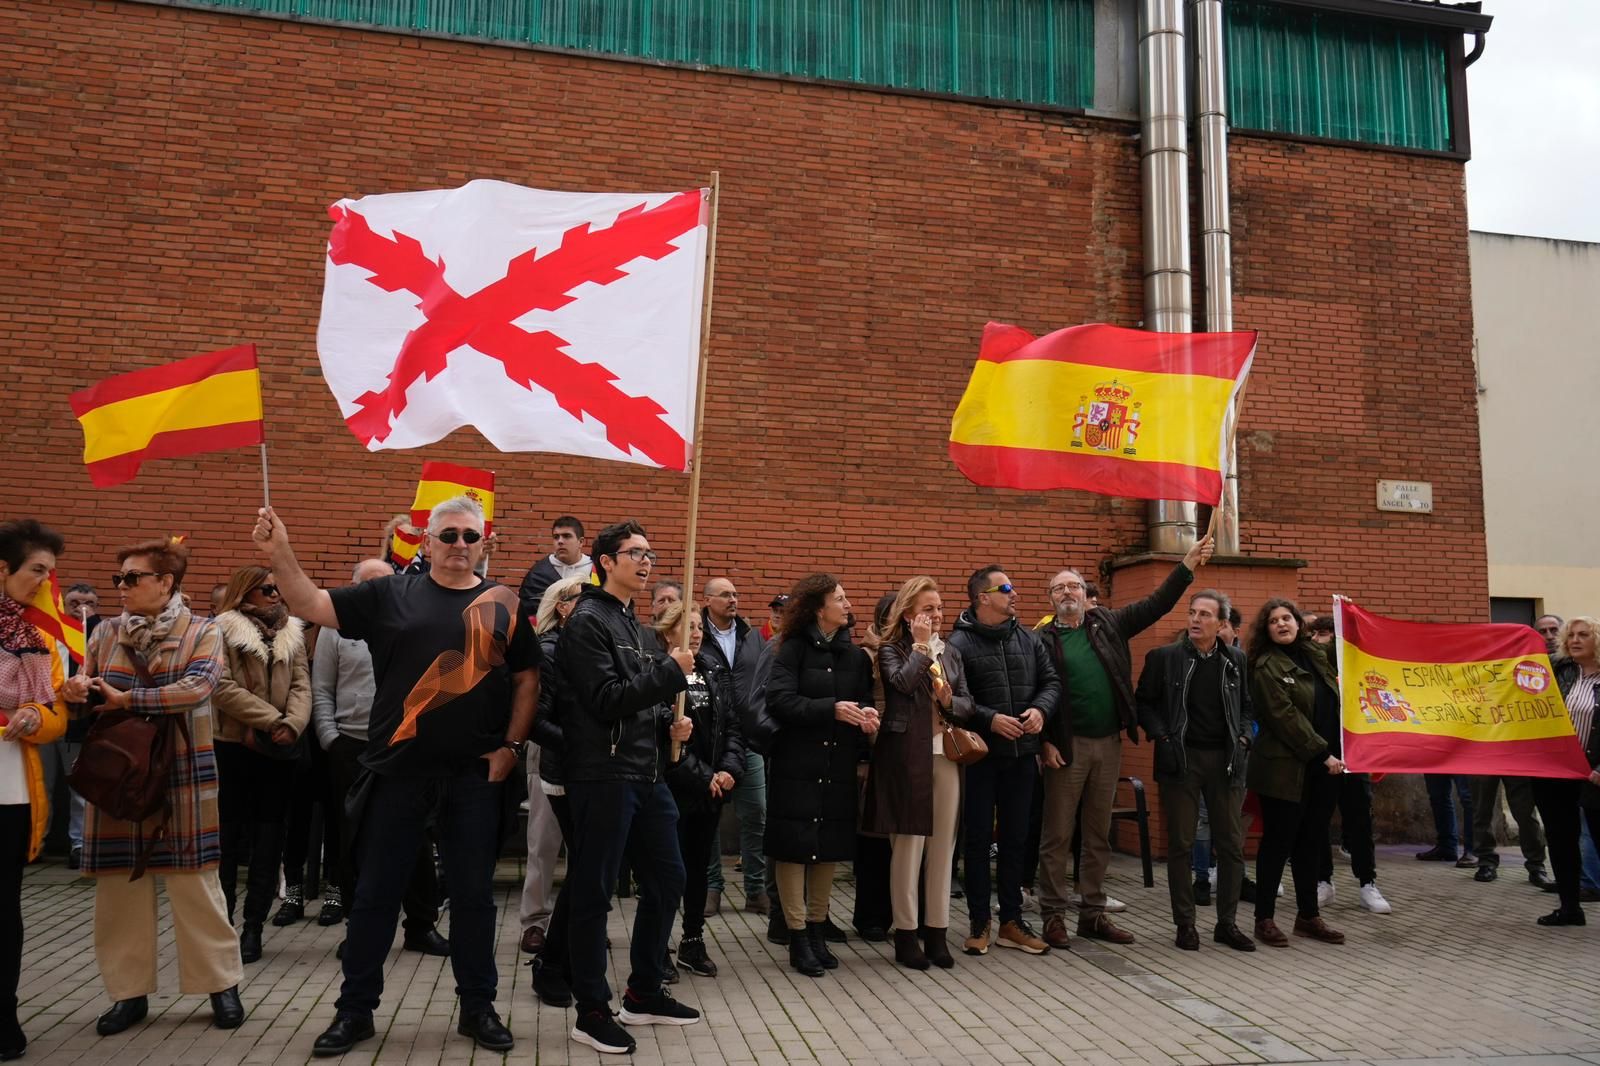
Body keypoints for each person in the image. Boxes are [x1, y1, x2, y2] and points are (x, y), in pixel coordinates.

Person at [254, 496, 539, 1056]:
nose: (459, 545)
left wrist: (511, 745)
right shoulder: (389, 594)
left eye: (469, 536)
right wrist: (279, 552)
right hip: (397, 772)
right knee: (376, 896)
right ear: (427, 542)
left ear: (486, 541)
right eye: (448, 535)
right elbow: (310, 602)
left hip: (473, 777)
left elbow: (528, 677)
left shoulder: (504, 602)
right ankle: (355, 1012)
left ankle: (478, 1009)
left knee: (476, 900)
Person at [60, 535, 244, 1037]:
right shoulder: (102, 634)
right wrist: (75, 688)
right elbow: (86, 682)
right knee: (118, 886)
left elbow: (199, 687)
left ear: (166, 582)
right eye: (119, 578)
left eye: (132, 578)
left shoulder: (203, 630)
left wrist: (130, 700)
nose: (121, 587)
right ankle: (128, 995)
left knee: (196, 884)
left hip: (183, 770)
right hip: (118, 770)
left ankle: (221, 986)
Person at [558, 519, 699, 1055]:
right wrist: (669, 673)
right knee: (594, 891)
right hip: (603, 774)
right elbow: (604, 699)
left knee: (669, 878)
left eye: (650, 553)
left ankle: (642, 992)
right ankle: (591, 1009)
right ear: (606, 562)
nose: (645, 561)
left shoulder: (635, 626)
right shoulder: (587, 622)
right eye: (634, 553)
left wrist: (669, 721)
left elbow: (640, 701)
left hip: (647, 771)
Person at [1035, 537, 1213, 951]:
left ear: (1085, 595)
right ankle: (1053, 915)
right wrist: (1044, 741)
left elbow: (1158, 603)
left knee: (1098, 833)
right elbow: (1034, 694)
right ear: (1050, 599)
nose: (1067, 593)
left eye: (1074, 586)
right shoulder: (1039, 641)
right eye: (1059, 588)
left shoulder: (1109, 624)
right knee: (1058, 834)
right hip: (1065, 747)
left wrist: (1187, 564)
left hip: (1107, 744)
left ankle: (1092, 915)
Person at [311, 560, 450, 959]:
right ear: (354, 589)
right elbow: (322, 688)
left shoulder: (409, 622)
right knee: (353, 838)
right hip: (351, 745)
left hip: (404, 744)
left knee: (418, 837)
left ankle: (421, 925)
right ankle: (361, 928)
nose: (378, 590)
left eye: (385, 582)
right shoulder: (336, 630)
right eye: (368, 584)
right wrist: (330, 739)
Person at [763, 574, 877, 977]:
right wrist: (829, 708)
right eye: (840, 599)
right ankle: (796, 935)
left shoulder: (856, 656)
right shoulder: (791, 649)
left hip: (838, 763)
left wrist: (867, 717)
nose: (847, 606)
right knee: (795, 847)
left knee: (828, 845)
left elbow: (861, 701)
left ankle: (816, 927)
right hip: (797, 764)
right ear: (817, 608)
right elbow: (779, 701)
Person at [862, 577, 973, 970]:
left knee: (943, 849)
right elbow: (901, 685)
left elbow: (967, 704)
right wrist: (922, 648)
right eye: (928, 609)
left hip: (946, 756)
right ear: (910, 614)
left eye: (940, 608)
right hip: (906, 757)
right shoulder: (893, 649)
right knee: (908, 848)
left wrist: (951, 700)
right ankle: (906, 936)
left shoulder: (953, 653)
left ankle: (937, 932)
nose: (937, 615)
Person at [948, 566, 1060, 956]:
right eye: (1006, 588)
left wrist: (1040, 712)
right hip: (980, 755)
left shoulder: (1028, 639)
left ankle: (1012, 921)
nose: (1015, 594)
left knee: (1015, 840)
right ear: (983, 597)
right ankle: (980, 921)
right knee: (978, 841)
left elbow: (1051, 682)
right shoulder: (957, 643)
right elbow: (954, 701)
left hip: (1022, 755)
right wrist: (990, 719)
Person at [1136, 588, 1255, 952]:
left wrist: (1245, 738)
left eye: (1205, 615)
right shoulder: (1164, 658)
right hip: (1182, 761)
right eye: (1192, 612)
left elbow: (1247, 708)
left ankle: (1227, 923)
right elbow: (1144, 703)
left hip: (1226, 761)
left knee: (1231, 845)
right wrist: (1164, 738)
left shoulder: (1235, 660)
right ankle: (1185, 924)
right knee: (1181, 844)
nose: (1195, 620)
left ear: (1222, 624)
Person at [209, 565, 310, 963]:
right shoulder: (220, 629)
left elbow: (302, 683)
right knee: (229, 842)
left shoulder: (292, 631)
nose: (274, 595)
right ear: (244, 593)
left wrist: (292, 725)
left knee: (270, 839)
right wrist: (271, 720)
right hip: (233, 746)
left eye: (276, 589)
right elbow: (220, 685)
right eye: (266, 589)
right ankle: (222, 928)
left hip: (279, 749)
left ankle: (253, 927)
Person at [0, 520, 71, 1060]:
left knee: (6, 910)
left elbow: (55, 718)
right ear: (4, 570)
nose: (45, 581)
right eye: (36, 570)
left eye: (49, 571)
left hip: (13, 794)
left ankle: (4, 1016)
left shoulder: (39, 638)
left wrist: (33, 714)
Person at [1245, 598, 1346, 947]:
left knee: (1312, 842)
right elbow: (1285, 718)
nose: (1282, 624)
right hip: (1285, 768)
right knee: (1277, 843)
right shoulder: (1263, 665)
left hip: (1325, 767)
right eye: (1274, 621)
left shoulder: (1315, 656)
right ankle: (1264, 918)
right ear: (1266, 629)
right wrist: (1322, 753)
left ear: (1298, 623)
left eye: (1287, 618)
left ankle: (1308, 917)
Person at [653, 601, 743, 977]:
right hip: (674, 787)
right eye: (688, 626)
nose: (696, 633)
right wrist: (700, 774)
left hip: (711, 788)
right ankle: (657, 946)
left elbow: (732, 724)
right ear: (669, 630)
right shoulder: (658, 671)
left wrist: (727, 769)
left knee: (698, 868)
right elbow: (664, 734)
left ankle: (692, 939)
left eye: (699, 627)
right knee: (666, 872)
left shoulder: (712, 670)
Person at [524, 575, 586, 1009]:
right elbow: (537, 717)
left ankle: (575, 932)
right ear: (562, 606)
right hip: (552, 757)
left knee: (584, 857)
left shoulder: (588, 647)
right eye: (584, 599)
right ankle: (535, 922)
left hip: (586, 765)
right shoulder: (546, 649)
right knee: (544, 841)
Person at [699, 577, 768, 918]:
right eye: (725, 594)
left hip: (748, 738)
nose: (733, 599)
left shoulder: (750, 637)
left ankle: (756, 889)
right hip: (708, 739)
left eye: (736, 593)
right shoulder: (697, 635)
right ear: (707, 599)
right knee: (709, 815)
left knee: (755, 810)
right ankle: (712, 887)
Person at [1531, 616, 1600, 926]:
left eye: (1583, 634)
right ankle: (1570, 908)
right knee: (1560, 839)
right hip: (1555, 771)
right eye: (1570, 635)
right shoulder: (1560, 670)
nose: (1575, 639)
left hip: (1594, 775)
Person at [36, 581, 98, 871]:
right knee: (41, 784)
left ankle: (79, 845)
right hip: (43, 721)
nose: (81, 609)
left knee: (79, 789)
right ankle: (36, 842)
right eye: (74, 602)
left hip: (78, 725)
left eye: (89, 604)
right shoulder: (47, 635)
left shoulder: (95, 639)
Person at [1468, 774, 1548, 887]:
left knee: (1525, 813)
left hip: (1516, 760)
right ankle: (1486, 861)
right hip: (1483, 759)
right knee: (1481, 811)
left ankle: (1536, 864)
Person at [518, 516, 593, 619]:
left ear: (581, 542)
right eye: (556, 537)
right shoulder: (538, 575)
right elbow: (528, 614)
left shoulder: (597, 571)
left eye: (566, 536)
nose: (560, 541)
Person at [1417, 775, 1475, 866]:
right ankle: (1447, 847)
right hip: (1433, 760)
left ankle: (1472, 850)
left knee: (1467, 797)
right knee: (1437, 795)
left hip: (1463, 760)